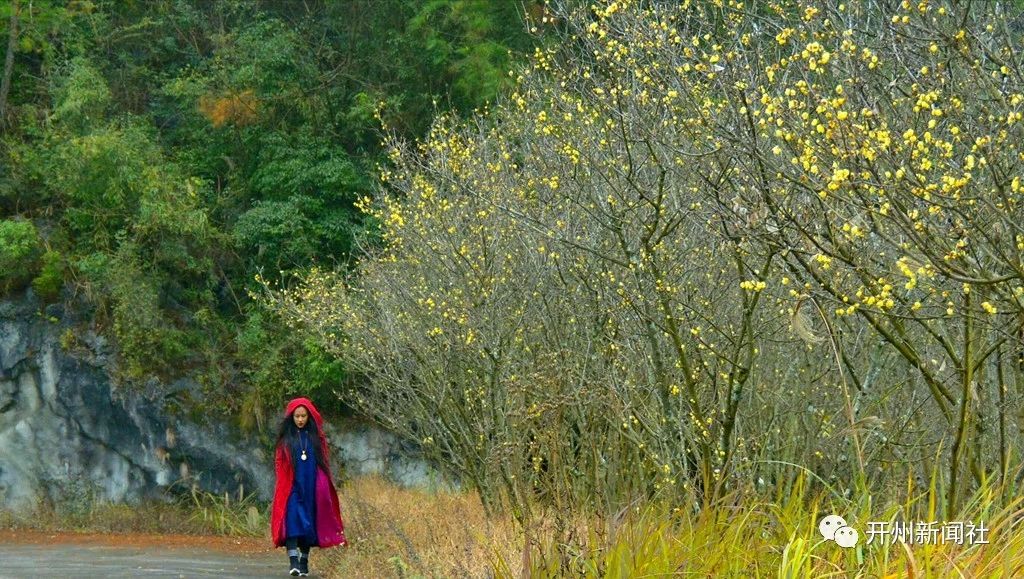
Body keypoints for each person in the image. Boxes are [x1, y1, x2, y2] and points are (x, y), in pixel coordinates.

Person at [271, 397, 347, 576]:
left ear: (308, 417)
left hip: (311, 486)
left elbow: (324, 463)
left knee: (308, 524)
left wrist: (322, 487)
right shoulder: (286, 439)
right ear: (292, 417)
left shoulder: (316, 438)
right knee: (291, 522)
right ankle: (293, 562)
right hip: (292, 486)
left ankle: (304, 562)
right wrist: (283, 483)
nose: (300, 420)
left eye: (303, 416)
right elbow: (279, 463)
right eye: (297, 416)